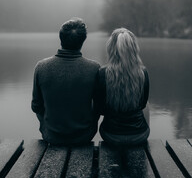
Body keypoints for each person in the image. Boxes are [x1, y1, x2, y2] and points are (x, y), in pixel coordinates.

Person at [31, 18, 100, 146]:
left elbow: (36, 106)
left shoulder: (41, 67)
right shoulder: (95, 69)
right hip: (84, 136)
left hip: (51, 136)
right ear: (83, 41)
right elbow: (99, 107)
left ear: (60, 38)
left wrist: (47, 125)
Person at [98, 28, 150, 147]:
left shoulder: (103, 73)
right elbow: (142, 104)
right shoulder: (143, 73)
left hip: (111, 135)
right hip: (139, 135)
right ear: (134, 49)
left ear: (111, 49)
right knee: (148, 103)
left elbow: (100, 109)